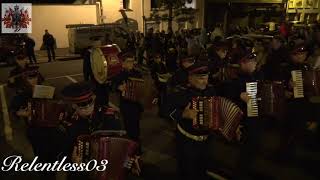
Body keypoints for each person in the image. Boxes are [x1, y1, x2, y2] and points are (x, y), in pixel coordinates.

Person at [165, 62, 219, 180]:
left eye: (206, 77)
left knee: (202, 169)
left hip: (206, 141)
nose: (205, 81)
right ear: (190, 78)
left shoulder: (211, 90)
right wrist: (183, 114)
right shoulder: (180, 93)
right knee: (186, 171)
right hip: (187, 141)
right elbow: (166, 111)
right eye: (201, 78)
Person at [9, 66, 62, 180]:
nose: (33, 80)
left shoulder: (47, 89)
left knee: (53, 158)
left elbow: (59, 105)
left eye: (35, 77)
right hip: (35, 131)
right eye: (30, 78)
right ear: (25, 79)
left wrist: (59, 110)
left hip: (52, 130)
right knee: (41, 158)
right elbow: (13, 109)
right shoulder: (22, 94)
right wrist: (20, 113)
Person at [221, 50, 265, 180]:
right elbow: (225, 94)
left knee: (254, 147)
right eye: (251, 62)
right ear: (243, 63)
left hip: (259, 118)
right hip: (246, 120)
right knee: (246, 149)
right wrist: (239, 95)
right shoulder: (236, 79)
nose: (255, 63)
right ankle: (240, 173)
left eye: (254, 61)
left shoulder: (259, 75)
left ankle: (246, 169)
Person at [112, 51, 144, 155]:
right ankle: (132, 149)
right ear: (123, 63)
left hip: (136, 105)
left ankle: (136, 149)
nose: (131, 64)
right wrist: (119, 87)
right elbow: (112, 86)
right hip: (126, 106)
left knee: (136, 128)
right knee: (129, 128)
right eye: (128, 62)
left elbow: (143, 87)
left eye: (132, 61)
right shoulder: (119, 75)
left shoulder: (138, 73)